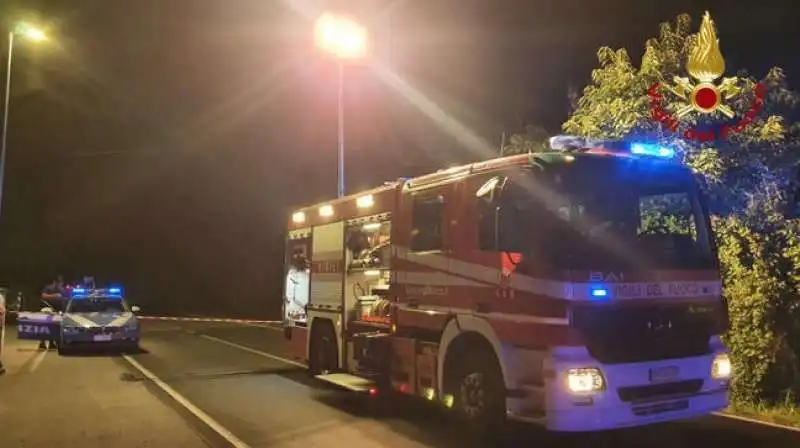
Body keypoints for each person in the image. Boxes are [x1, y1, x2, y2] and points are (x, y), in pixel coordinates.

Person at [39, 276, 66, 350]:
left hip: (57, 310)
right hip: (48, 309)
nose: (59, 284)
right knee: (46, 326)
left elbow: (63, 300)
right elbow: (43, 296)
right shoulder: (48, 288)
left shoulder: (62, 289)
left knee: (54, 327)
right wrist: (54, 296)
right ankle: (43, 343)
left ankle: (51, 343)